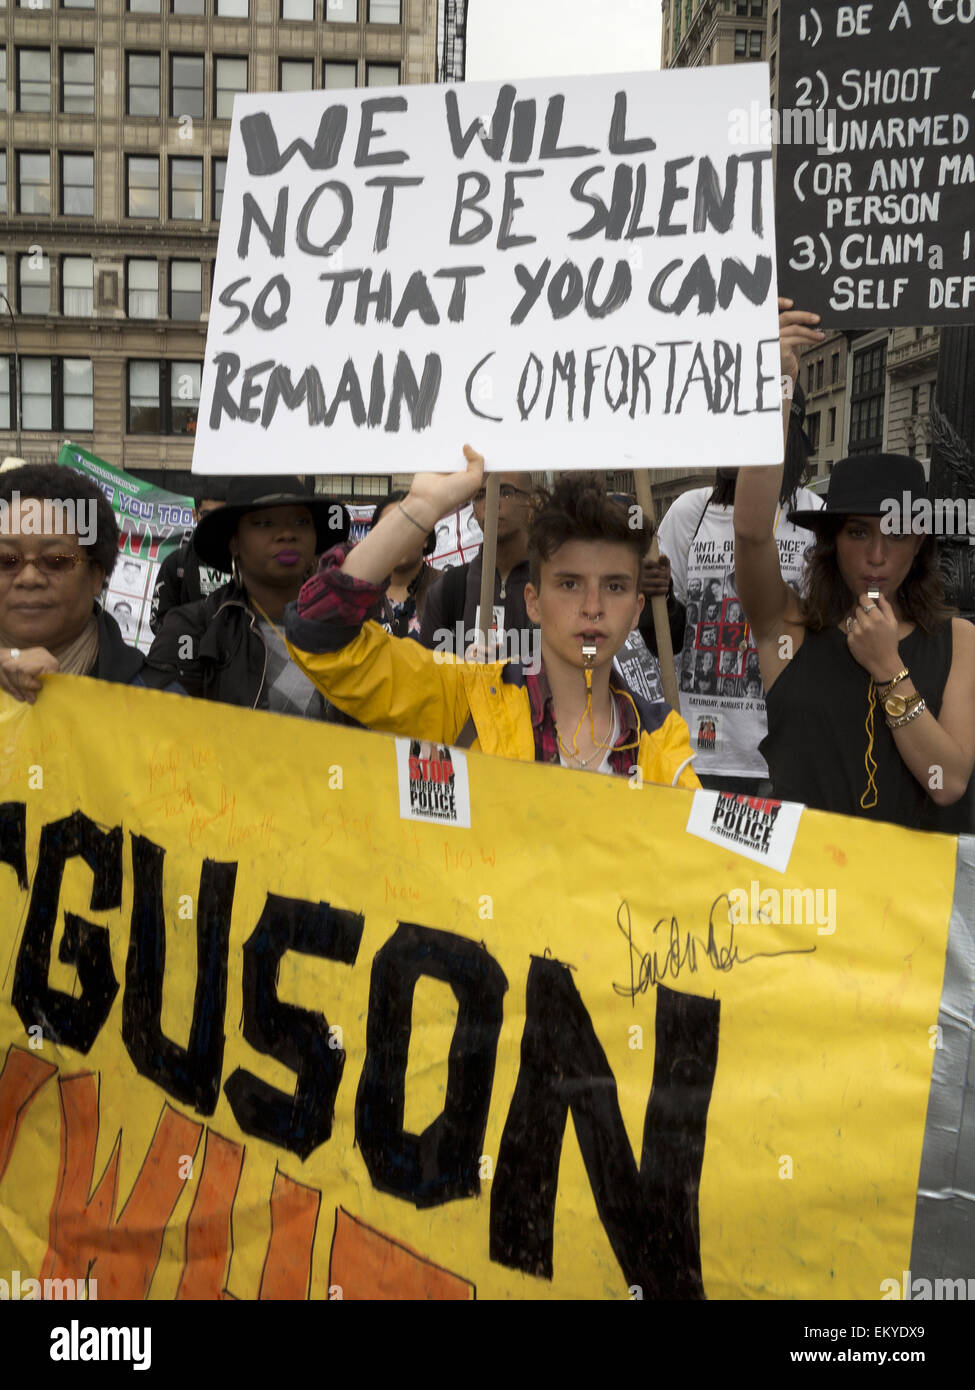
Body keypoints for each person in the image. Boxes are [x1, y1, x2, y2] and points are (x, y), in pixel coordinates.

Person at [284, 450, 700, 789]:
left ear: (636, 610)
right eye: (570, 584)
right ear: (533, 601)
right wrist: (420, 509)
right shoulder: (467, 698)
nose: (592, 606)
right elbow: (321, 636)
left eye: (613, 587)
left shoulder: (664, 745)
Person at [733, 299, 975, 829]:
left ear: (921, 545)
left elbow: (948, 781)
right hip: (802, 896)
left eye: (897, 532)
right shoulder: (787, 627)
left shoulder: (958, 641)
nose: (877, 555)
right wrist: (778, 387)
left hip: (909, 905)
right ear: (830, 542)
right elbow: (751, 532)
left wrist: (889, 669)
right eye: (858, 532)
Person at [650, 380, 822, 793]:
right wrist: (652, 599)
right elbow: (667, 640)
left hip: (780, 753)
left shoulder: (814, 517)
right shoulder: (688, 512)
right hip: (697, 751)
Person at [145, 476, 350, 717]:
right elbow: (159, 728)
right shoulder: (192, 629)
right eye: (264, 523)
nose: (286, 534)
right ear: (234, 542)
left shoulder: (349, 629)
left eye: (301, 521)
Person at [0, 464, 181, 701]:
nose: (29, 578)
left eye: (55, 560)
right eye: (6, 560)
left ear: (96, 574)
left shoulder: (160, 703)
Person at [419, 471, 535, 658]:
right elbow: (428, 678)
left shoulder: (554, 585)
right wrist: (463, 669)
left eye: (505, 492)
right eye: (480, 496)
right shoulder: (447, 590)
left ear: (530, 502)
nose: (491, 504)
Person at [149, 483, 229, 634]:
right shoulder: (175, 564)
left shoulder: (243, 563)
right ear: (195, 515)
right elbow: (157, 621)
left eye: (220, 515)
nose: (213, 521)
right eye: (207, 515)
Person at [366, 490, 438, 639]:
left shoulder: (449, 589)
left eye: (406, 525)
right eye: (387, 527)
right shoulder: (355, 595)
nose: (396, 536)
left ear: (426, 537)